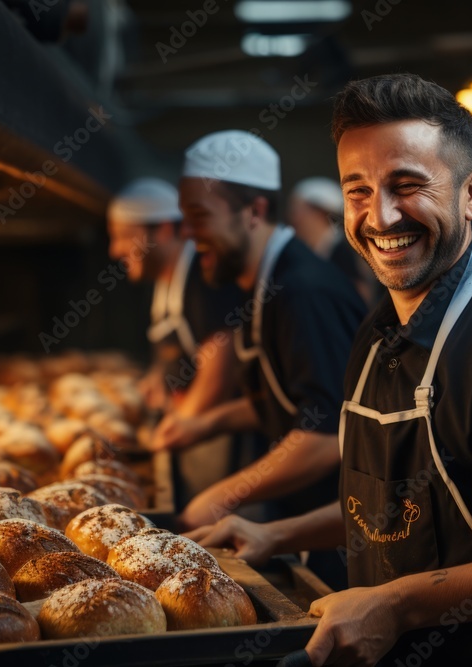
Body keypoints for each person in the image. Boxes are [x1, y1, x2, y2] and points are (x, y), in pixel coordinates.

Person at [188, 73, 472, 666]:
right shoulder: (378, 332)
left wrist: (398, 605)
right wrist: (279, 533)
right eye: (357, 190)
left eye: (407, 185)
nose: (379, 216)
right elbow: (407, 509)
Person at [151, 131, 366, 557]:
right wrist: (205, 425)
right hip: (303, 513)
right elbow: (284, 397)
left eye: (199, 216)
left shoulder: (303, 291)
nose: (188, 234)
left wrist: (222, 495)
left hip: (348, 529)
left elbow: (325, 437)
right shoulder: (260, 283)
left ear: (255, 210)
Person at [106, 178, 244, 506]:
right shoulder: (165, 279)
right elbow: (176, 349)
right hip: (196, 436)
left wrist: (178, 426)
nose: (115, 250)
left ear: (165, 230)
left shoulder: (200, 276)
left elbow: (219, 367)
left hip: (223, 442)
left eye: (125, 236)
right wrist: (157, 382)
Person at [289, 176, 383, 308]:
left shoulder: (345, 250)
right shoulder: (318, 251)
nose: (293, 219)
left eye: (297, 211)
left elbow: (361, 295)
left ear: (319, 213)